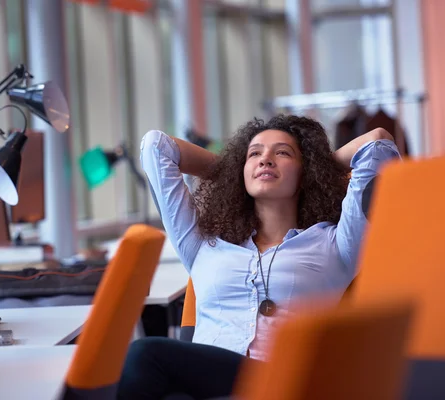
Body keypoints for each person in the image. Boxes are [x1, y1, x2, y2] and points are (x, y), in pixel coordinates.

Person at [117, 115, 400, 400]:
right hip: (207, 382)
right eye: (255, 154)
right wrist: (233, 171)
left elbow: (377, 143)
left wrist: (318, 170)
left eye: (282, 153)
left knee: (145, 353)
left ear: (305, 172)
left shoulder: (337, 243)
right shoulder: (203, 245)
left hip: (287, 382)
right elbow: (156, 146)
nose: (266, 159)